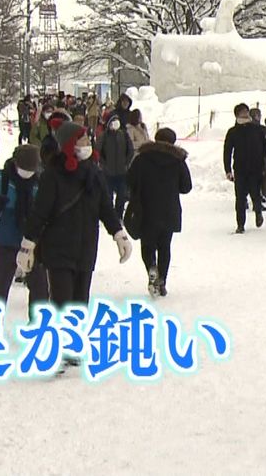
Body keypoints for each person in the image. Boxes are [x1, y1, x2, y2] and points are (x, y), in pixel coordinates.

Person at [19, 122, 133, 349]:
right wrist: (27, 244)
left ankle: (73, 345)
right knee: (62, 301)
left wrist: (119, 233)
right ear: (70, 145)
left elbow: (105, 209)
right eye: (82, 141)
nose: (88, 144)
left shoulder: (94, 172)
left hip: (86, 248)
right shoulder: (53, 175)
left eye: (88, 140)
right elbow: (39, 212)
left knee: (80, 301)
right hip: (58, 248)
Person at [0, 145, 48, 318]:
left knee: (40, 286)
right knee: (1, 285)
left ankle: (39, 323)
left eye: (31, 169)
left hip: (34, 240)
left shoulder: (41, 180)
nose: (27, 173)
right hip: (6, 238)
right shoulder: (0, 179)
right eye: (24, 169)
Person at [127, 127, 193, 297]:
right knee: (164, 246)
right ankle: (162, 279)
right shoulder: (178, 160)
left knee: (147, 245)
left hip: (145, 209)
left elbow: (129, 180)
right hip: (169, 209)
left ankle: (151, 268)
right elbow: (186, 187)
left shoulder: (142, 158)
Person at [223, 103, 266, 234]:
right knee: (240, 198)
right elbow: (227, 151)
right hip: (240, 169)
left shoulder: (258, 129)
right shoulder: (233, 131)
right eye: (242, 112)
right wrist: (227, 170)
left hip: (256, 168)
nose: (245, 114)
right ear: (237, 115)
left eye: (246, 112)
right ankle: (240, 224)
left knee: (256, 194)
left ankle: (258, 212)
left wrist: (265, 162)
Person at [97, 114, 134, 219]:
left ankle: (119, 215)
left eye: (117, 121)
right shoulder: (103, 136)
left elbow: (130, 150)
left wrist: (126, 163)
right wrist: (103, 163)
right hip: (108, 172)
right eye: (113, 121)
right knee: (108, 196)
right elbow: (98, 151)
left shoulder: (124, 135)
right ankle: (109, 215)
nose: (116, 123)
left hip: (122, 172)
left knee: (121, 196)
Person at [250, 107, 266, 206]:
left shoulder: (248, 128)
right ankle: (257, 200)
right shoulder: (261, 129)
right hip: (259, 158)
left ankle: (257, 197)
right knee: (258, 179)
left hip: (254, 157)